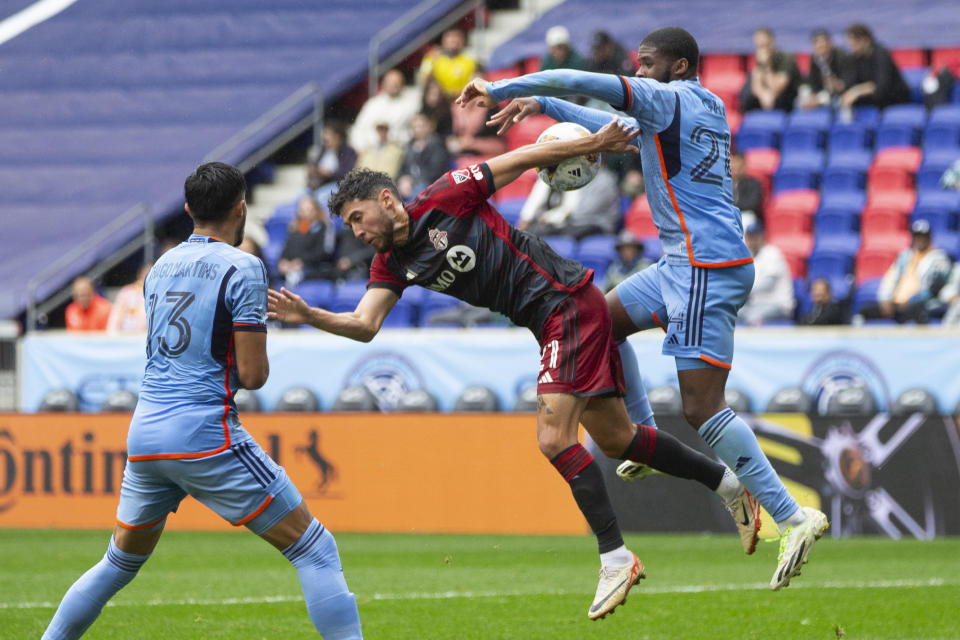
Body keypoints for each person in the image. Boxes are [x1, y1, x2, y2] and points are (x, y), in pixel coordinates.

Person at [269, 122, 757, 620]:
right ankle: (729, 485)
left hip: (564, 303)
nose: (356, 232)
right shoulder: (391, 264)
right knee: (617, 440)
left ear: (387, 200)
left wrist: (596, 144)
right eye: (349, 227)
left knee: (553, 438)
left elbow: (522, 158)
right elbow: (364, 323)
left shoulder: (446, 196)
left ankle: (616, 556)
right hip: (547, 321)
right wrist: (310, 316)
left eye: (358, 218)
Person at [457, 25, 829, 591]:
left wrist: (505, 85)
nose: (639, 72)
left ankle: (793, 516)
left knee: (704, 407)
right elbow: (612, 130)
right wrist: (542, 106)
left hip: (706, 267)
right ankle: (644, 435)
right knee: (598, 320)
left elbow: (585, 79)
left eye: (648, 63)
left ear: (677, 67)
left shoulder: (668, 97)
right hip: (682, 263)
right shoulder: (697, 104)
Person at [42, 163, 362, 639]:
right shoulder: (244, 266)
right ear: (241, 207)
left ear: (189, 209)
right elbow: (253, 376)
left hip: (146, 433)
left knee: (117, 563)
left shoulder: (158, 269)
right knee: (314, 549)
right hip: (203, 432)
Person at [858, 219, 951, 324]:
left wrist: (912, 300)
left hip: (919, 304)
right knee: (864, 312)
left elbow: (933, 288)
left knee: (917, 312)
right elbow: (890, 279)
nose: (920, 240)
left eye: (923, 237)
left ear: (929, 238)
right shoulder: (905, 256)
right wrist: (886, 299)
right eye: (917, 236)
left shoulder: (939, 259)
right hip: (896, 304)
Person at [517, 163, 622, 239]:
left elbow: (573, 209)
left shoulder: (603, 179)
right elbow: (535, 200)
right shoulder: (546, 177)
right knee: (530, 232)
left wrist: (548, 218)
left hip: (597, 223)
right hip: (565, 221)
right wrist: (526, 218)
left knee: (566, 233)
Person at [840, 23, 910, 110]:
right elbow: (850, 83)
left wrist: (858, 90)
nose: (852, 49)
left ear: (865, 40)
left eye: (854, 45)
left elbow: (882, 86)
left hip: (893, 98)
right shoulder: (854, 58)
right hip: (871, 101)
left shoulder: (881, 54)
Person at [349, 69, 420, 153]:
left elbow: (413, 131)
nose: (394, 86)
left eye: (397, 83)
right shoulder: (373, 104)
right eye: (390, 83)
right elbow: (358, 129)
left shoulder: (411, 105)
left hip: (399, 150)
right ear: (384, 84)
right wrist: (360, 149)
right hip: (371, 150)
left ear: (402, 84)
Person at [738, 222, 795, 325]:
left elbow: (768, 285)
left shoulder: (772, 253)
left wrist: (743, 290)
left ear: (763, 236)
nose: (753, 240)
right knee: (732, 313)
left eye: (756, 236)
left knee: (752, 317)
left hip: (778, 305)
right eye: (750, 237)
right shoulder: (750, 256)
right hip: (757, 305)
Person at [277, 195, 337, 287]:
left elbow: (326, 252)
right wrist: (284, 262)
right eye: (303, 210)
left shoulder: (325, 227)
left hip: (315, 267)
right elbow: (287, 249)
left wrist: (302, 262)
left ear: (316, 210)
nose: (306, 213)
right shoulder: (295, 229)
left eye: (309, 209)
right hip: (293, 267)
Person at [739, 27, 802, 112]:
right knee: (746, 94)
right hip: (769, 96)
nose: (763, 50)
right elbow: (756, 85)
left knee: (781, 99)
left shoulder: (786, 58)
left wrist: (767, 65)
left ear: (772, 42)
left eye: (765, 45)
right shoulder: (760, 58)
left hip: (788, 95)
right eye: (759, 46)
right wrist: (763, 95)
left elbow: (778, 88)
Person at [397, 113, 452, 201]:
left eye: (420, 126)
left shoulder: (437, 145)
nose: (418, 129)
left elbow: (435, 171)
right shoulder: (408, 146)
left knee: (419, 190)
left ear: (428, 127)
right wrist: (402, 179)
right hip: (409, 185)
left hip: (430, 184)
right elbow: (402, 168)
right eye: (414, 127)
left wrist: (412, 181)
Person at [418, 27, 477, 99]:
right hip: (440, 101)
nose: (454, 40)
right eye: (450, 36)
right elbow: (423, 80)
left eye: (457, 36)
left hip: (463, 99)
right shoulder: (431, 57)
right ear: (443, 40)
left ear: (463, 41)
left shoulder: (470, 59)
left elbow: (474, 83)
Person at [798, 29, 851, 110]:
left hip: (840, 95)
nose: (821, 47)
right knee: (800, 102)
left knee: (838, 102)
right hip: (822, 94)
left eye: (823, 44)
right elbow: (812, 83)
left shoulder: (841, 57)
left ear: (830, 43)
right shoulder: (814, 59)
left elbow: (846, 83)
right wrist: (813, 96)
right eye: (817, 44)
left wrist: (836, 84)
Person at [307, 121, 357, 203]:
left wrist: (329, 174)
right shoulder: (324, 150)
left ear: (337, 137)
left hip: (338, 186)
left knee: (318, 198)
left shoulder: (348, 152)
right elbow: (314, 165)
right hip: (318, 185)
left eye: (327, 140)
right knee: (302, 197)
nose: (325, 143)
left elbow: (347, 174)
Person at [106, 263, 151, 333]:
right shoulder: (126, 292)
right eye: (145, 275)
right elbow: (115, 316)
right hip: (124, 337)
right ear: (139, 275)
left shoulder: (158, 294)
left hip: (145, 336)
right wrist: (112, 334)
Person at [731, 150, 764, 228]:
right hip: (729, 214)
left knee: (746, 220)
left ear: (745, 165)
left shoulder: (753, 183)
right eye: (734, 164)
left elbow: (752, 204)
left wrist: (733, 206)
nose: (737, 167)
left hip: (746, 214)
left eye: (739, 165)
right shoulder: (726, 183)